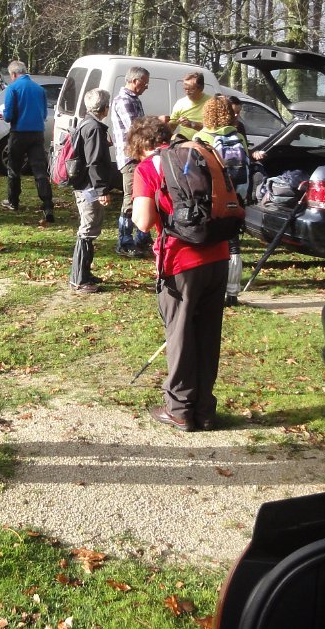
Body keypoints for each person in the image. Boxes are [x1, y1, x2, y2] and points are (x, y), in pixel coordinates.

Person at [131, 115, 229, 432]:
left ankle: (179, 409)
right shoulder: (201, 153)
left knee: (181, 335)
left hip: (181, 261)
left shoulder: (148, 168)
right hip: (218, 252)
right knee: (207, 334)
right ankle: (204, 410)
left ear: (141, 146)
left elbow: (143, 222)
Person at [195, 96, 251, 308]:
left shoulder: (201, 137)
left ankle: (209, 289)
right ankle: (233, 292)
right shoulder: (238, 137)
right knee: (233, 243)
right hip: (236, 197)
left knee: (209, 242)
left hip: (212, 198)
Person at [69, 88, 115, 293]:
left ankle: (85, 273)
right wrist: (102, 190)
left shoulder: (86, 123)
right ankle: (79, 280)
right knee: (87, 230)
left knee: (91, 229)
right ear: (105, 108)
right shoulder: (94, 128)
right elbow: (94, 162)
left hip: (84, 185)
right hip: (89, 187)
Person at [0, 60, 54, 222]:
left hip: (19, 132)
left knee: (14, 168)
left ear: (13, 74)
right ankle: (47, 205)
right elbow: (44, 114)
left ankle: (13, 201)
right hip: (37, 133)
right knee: (40, 170)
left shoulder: (13, 88)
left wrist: (4, 115)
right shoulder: (39, 89)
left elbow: (8, 115)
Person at [111, 66, 154, 258]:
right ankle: (124, 241)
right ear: (135, 81)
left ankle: (143, 237)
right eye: (145, 83)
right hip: (130, 159)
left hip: (141, 157)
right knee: (130, 199)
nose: (146, 86)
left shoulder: (134, 99)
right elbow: (135, 130)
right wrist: (157, 123)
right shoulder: (123, 100)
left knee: (144, 196)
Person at [168, 71, 211, 141]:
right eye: (185, 89)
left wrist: (191, 124)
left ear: (201, 88)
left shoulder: (211, 103)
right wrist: (162, 124)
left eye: (191, 89)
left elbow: (213, 128)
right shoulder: (180, 103)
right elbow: (171, 127)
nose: (187, 92)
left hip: (205, 144)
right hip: (185, 144)